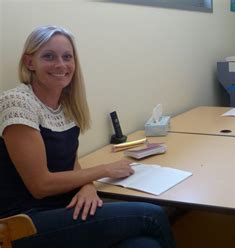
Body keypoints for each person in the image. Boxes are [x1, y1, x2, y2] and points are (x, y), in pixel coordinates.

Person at [0, 25, 175, 248]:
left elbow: (69, 161)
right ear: (29, 62)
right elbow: (40, 184)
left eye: (67, 57)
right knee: (151, 216)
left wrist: (88, 186)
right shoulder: (17, 103)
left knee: (144, 244)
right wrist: (104, 170)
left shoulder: (64, 105)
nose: (61, 65)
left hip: (62, 207)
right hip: (24, 222)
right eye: (49, 56)